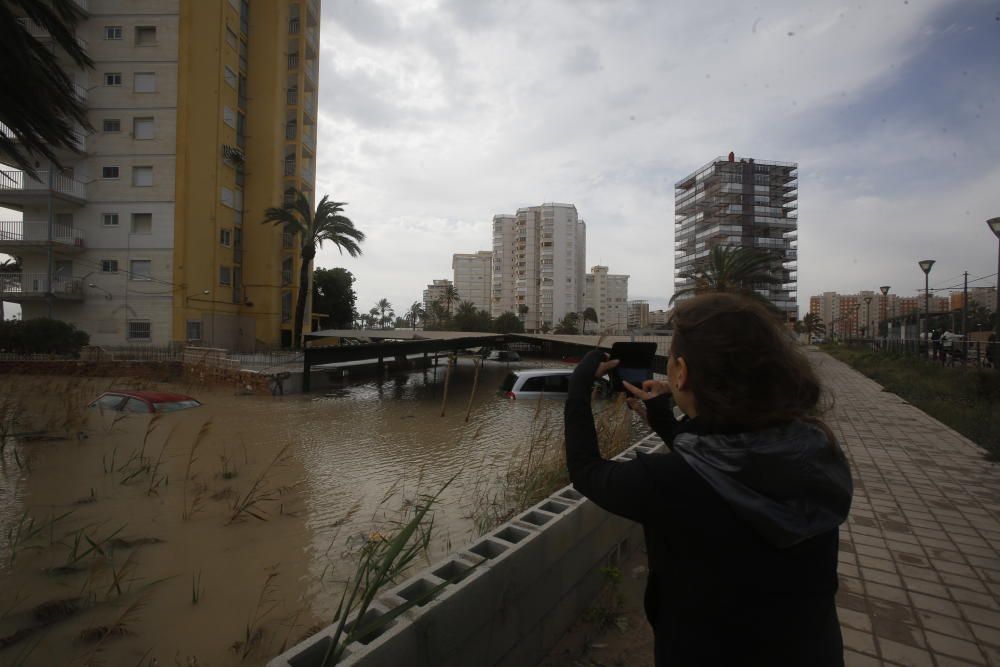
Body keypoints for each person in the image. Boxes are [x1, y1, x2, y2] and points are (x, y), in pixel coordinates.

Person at [564, 293, 852, 666]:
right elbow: (722, 460)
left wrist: (578, 386)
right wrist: (666, 418)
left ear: (681, 372)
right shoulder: (814, 450)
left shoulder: (666, 483)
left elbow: (587, 471)